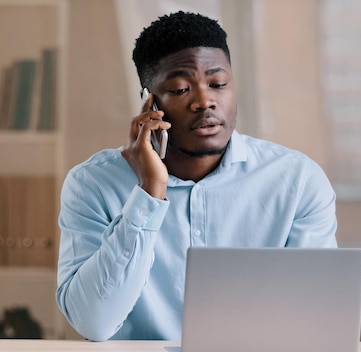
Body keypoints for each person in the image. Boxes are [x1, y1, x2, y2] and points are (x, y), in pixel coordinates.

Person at [56, 11, 337, 342]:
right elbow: (93, 323)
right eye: (180, 89)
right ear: (150, 103)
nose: (205, 101)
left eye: (218, 84)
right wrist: (149, 194)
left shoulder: (296, 180)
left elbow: (318, 318)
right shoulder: (93, 184)